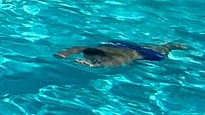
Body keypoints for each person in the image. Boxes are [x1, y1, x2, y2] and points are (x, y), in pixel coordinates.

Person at [55, 41, 187, 68]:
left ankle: (171, 45)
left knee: (161, 53)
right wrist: (65, 53)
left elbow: (116, 62)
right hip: (118, 44)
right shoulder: (96, 50)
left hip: (142, 54)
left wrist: (96, 66)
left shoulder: (119, 58)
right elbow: (79, 48)